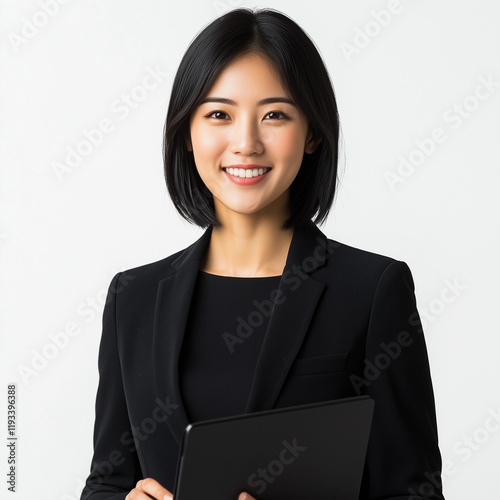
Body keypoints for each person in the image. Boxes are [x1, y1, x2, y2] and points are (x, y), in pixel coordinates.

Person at [80, 7, 445, 500]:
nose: (246, 142)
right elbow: (107, 481)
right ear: (188, 133)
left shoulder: (372, 290)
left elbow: (413, 491)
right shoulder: (134, 298)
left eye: (274, 114)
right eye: (218, 115)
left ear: (313, 132)